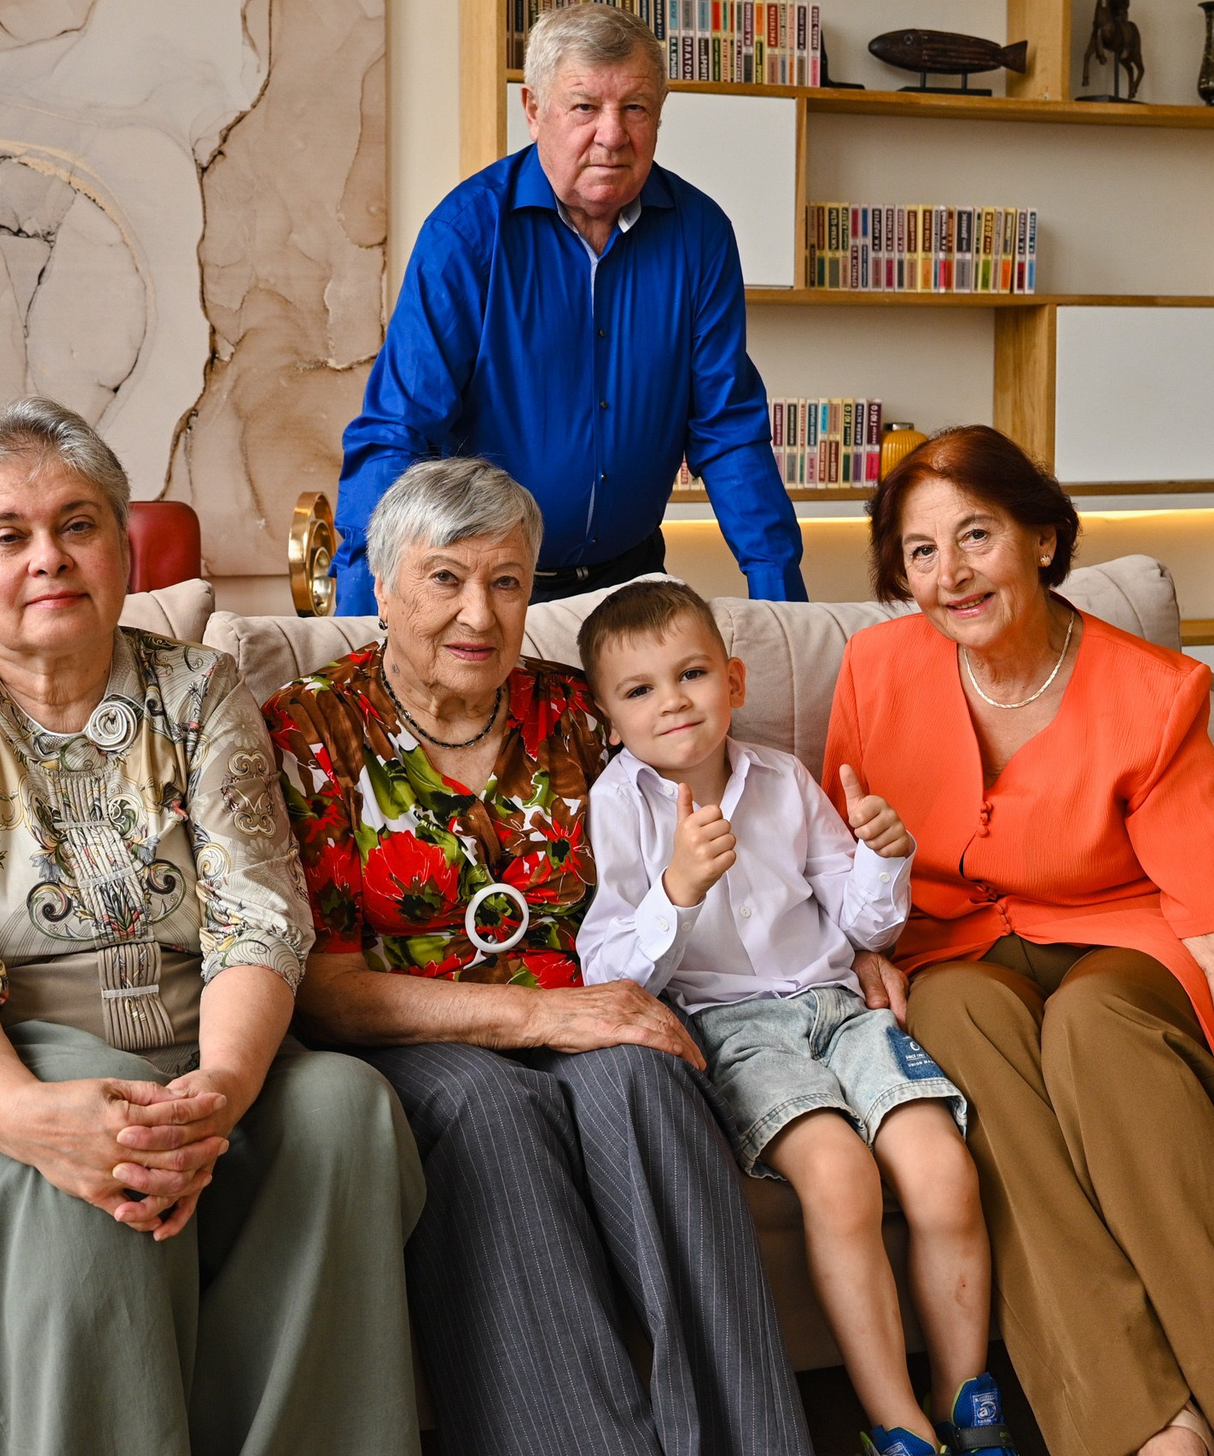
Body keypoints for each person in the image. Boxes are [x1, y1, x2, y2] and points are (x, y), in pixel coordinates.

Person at [0, 398, 425, 1456]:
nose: (48, 556)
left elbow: (257, 919)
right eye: (9, 534)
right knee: (90, 1181)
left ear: (120, 546)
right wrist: (31, 1116)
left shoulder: (198, 691)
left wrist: (216, 1096)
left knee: (342, 1111)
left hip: (195, 1050)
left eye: (79, 522)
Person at [825, 425, 1214, 1456]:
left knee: (1094, 1031)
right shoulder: (875, 666)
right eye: (920, 550)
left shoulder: (1151, 694)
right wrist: (857, 946)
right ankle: (1145, 1426)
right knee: (954, 1018)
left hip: (1127, 944)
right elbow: (836, 857)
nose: (951, 573)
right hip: (955, 949)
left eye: (975, 534)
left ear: (1039, 534)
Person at [264, 457, 811, 1456]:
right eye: (445, 577)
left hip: (598, 1009)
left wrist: (839, 951)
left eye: (507, 580)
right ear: (382, 586)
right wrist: (542, 1016)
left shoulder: (579, 712)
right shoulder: (312, 728)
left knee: (648, 1076)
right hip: (419, 1031)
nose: (479, 611)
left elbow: (729, 827)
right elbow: (324, 989)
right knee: (494, 1108)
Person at [573, 580, 1004, 1456]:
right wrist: (677, 890)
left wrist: (886, 857)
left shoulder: (783, 779)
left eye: (692, 673)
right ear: (608, 716)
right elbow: (610, 969)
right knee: (841, 1179)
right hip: (733, 1029)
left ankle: (967, 1395)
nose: (674, 702)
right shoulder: (619, 804)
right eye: (640, 689)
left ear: (733, 679)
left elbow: (865, 926)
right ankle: (899, 1423)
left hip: (840, 1006)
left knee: (941, 1167)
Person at [332, 0, 805, 611]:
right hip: (486, 598)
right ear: (534, 110)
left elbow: (728, 428)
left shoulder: (701, 234)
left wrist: (785, 607)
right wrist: (362, 630)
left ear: (659, 115)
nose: (612, 134)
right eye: (584, 107)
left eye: (634, 107)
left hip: (634, 586)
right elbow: (397, 431)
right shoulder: (466, 234)